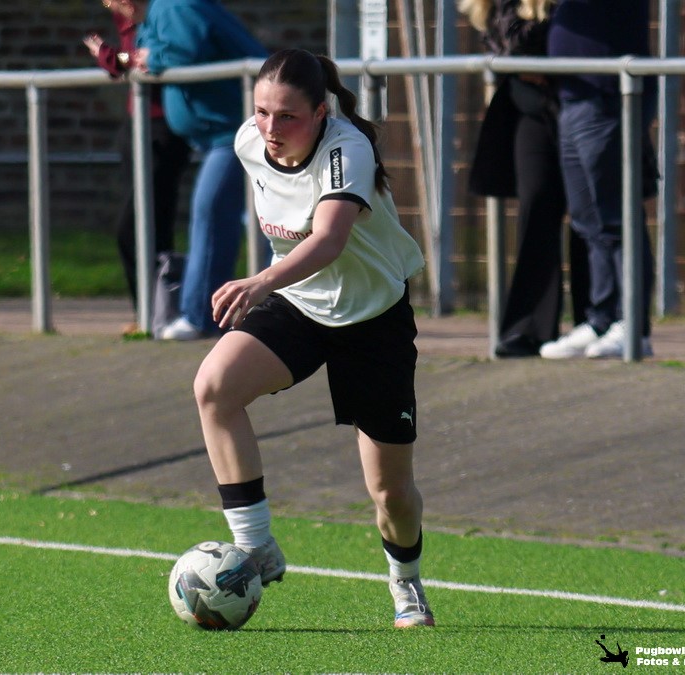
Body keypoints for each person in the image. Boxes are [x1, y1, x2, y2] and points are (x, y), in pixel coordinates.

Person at [191, 48, 434, 628]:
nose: (270, 129)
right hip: (299, 303)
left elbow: (328, 239)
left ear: (321, 112)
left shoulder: (347, 150)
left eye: (288, 117)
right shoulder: (249, 141)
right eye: (261, 112)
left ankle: (405, 579)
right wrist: (271, 285)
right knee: (214, 387)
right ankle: (256, 545)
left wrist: (259, 281)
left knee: (391, 493)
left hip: (373, 320)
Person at [461, 0, 589, 358]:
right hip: (531, 110)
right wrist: (534, 57)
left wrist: (541, 58)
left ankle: (594, 320)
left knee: (587, 212)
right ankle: (530, 329)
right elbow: (512, 42)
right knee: (537, 206)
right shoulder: (503, 7)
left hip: (580, 103)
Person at [134, 0, 267, 340]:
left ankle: (201, 317)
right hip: (223, 134)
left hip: (236, 133)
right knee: (256, 222)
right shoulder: (162, 10)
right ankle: (261, 309)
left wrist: (152, 59)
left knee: (212, 210)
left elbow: (185, 50)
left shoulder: (175, 6)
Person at [541, 0, 658, 359]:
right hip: (573, 96)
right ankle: (601, 318)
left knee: (616, 216)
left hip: (606, 94)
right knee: (586, 218)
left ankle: (633, 325)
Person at [84, 0, 191, 334]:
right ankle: (154, 313)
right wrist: (117, 59)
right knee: (151, 228)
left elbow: (148, 59)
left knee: (138, 229)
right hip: (137, 125)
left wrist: (113, 58)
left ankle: (158, 313)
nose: (112, 6)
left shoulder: (162, 12)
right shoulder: (127, 17)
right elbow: (130, 59)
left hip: (162, 130)